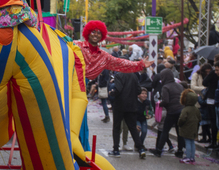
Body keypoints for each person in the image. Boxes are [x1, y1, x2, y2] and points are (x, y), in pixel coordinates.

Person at [76, 20, 153, 149]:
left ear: (102, 36)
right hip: (70, 86)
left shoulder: (104, 56)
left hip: (82, 91)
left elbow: (121, 63)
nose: (95, 35)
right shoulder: (76, 46)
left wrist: (139, 65)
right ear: (87, 33)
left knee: (80, 122)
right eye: (93, 32)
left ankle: (80, 149)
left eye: (99, 33)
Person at [108, 70, 146, 159]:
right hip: (132, 105)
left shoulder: (119, 75)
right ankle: (141, 149)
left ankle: (116, 150)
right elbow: (138, 90)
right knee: (132, 128)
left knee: (116, 127)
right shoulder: (134, 76)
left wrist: (112, 93)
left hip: (120, 105)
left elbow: (119, 89)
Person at [149, 69, 185, 158]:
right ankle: (180, 151)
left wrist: (159, 104)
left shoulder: (166, 87)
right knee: (179, 131)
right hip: (181, 110)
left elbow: (166, 101)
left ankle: (158, 150)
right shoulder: (179, 86)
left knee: (165, 131)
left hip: (172, 111)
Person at [178, 89, 201, 163]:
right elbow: (199, 118)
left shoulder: (186, 109)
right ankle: (192, 157)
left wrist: (179, 124)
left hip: (186, 128)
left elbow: (182, 119)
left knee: (187, 142)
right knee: (192, 142)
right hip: (194, 128)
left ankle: (188, 157)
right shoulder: (196, 109)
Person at [191, 63, 212, 143]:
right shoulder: (196, 75)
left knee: (205, 120)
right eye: (206, 71)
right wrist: (204, 88)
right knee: (196, 119)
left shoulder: (209, 76)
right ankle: (195, 135)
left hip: (206, 100)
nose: (207, 73)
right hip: (198, 99)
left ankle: (205, 136)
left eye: (209, 72)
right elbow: (193, 86)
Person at [202, 61, 218, 150]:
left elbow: (205, 82)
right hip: (214, 98)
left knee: (213, 122)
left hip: (212, 98)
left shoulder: (213, 73)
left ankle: (213, 141)